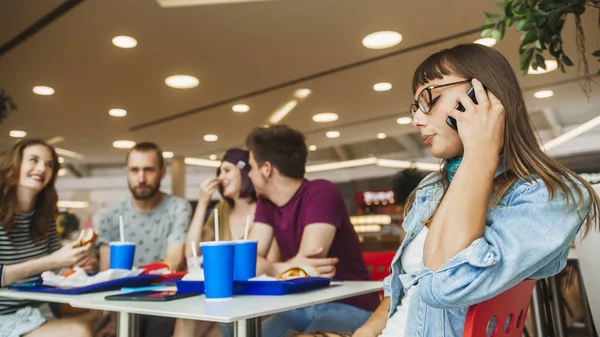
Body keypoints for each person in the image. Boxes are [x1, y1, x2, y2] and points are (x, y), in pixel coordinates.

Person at [335, 43, 600, 337]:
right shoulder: (431, 188)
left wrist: (480, 153)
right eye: (415, 107)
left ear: (482, 94)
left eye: (428, 99)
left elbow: (447, 284)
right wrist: (366, 331)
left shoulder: (553, 195)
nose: (416, 120)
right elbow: (401, 285)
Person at [245, 125, 380, 337]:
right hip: (301, 303)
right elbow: (247, 261)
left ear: (266, 168)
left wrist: (269, 269)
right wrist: (278, 268)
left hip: (351, 302)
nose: (249, 175)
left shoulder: (321, 192)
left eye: (251, 167)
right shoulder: (267, 203)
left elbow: (309, 267)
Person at [173, 148, 280, 337]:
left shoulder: (266, 211)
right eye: (219, 172)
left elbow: (269, 266)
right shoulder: (220, 210)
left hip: (257, 304)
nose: (221, 177)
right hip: (224, 299)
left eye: (227, 170)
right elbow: (192, 252)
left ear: (246, 171)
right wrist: (202, 204)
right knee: (186, 318)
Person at [95, 142, 192, 337]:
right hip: (120, 301)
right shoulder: (111, 214)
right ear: (126, 172)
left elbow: (171, 263)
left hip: (164, 300)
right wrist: (116, 320)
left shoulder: (178, 208)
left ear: (163, 172)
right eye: (134, 170)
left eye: (148, 170)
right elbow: (107, 273)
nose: (141, 178)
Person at [0, 139, 93, 336]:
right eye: (34, 160)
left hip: (36, 312)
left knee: (98, 318)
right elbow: (50, 261)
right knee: (79, 331)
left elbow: (55, 268)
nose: (42, 168)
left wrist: (74, 267)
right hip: (4, 316)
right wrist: (53, 261)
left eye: (49, 164)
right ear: (15, 164)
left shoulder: (45, 214)